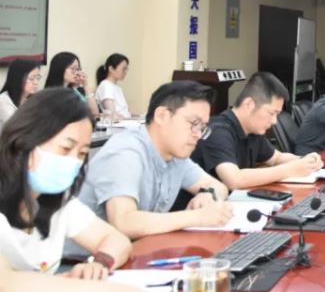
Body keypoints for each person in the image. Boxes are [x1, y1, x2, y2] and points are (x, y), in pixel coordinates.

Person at [0, 88, 134, 291]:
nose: (73, 162)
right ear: (25, 140)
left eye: (82, 153)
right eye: (65, 148)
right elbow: (6, 283)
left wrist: (98, 264)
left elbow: (117, 240)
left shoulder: (55, 202)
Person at [73, 81, 232, 245]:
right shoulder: (126, 151)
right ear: (162, 116)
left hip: (133, 250)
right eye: (194, 124)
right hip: (82, 259)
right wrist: (196, 217)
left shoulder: (176, 155)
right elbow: (124, 222)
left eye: (202, 127)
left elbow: (220, 187)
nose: (198, 134)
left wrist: (207, 194)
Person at [191, 72, 324, 190]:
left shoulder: (253, 130)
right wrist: (290, 169)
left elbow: (276, 158)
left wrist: (305, 161)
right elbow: (234, 179)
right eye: (272, 113)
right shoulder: (217, 131)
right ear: (249, 104)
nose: (274, 121)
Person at [45, 52, 100, 118]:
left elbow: (95, 114)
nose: (76, 73)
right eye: (73, 69)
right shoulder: (51, 95)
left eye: (78, 69)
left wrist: (86, 85)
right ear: (60, 69)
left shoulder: (74, 91)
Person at [0, 59, 42, 130]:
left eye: (37, 78)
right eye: (32, 78)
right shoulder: (3, 101)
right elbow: (19, 127)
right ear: (18, 79)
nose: (36, 82)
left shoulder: (34, 99)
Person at [94, 54, 131, 120]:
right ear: (111, 69)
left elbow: (125, 113)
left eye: (126, 69)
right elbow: (112, 113)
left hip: (124, 122)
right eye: (123, 69)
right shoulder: (105, 86)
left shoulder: (117, 88)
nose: (125, 72)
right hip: (118, 124)